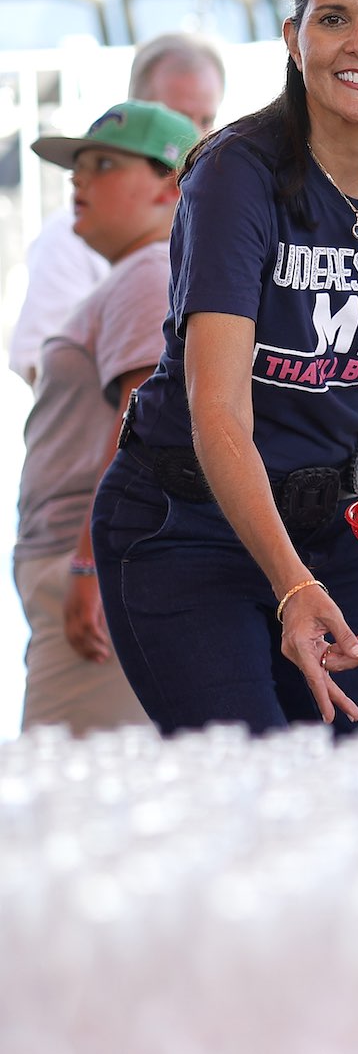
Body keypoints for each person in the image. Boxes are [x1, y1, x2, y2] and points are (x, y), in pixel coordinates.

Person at [90, 0, 358, 738]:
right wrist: (292, 586)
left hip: (336, 525)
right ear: (295, 38)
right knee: (251, 799)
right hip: (186, 528)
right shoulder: (236, 175)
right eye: (333, 19)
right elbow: (217, 410)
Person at [14, 101, 201, 734]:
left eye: (101, 164)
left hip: (97, 564)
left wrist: (92, 562)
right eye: (76, 168)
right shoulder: (141, 271)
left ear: (171, 183)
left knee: (69, 805)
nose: (78, 180)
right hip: (88, 561)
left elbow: (141, 429)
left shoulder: (150, 270)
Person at [9, 33, 225, 387]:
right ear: (135, 108)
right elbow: (39, 367)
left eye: (206, 118)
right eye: (177, 117)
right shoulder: (70, 234)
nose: (194, 137)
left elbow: (137, 421)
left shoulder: (209, 236)